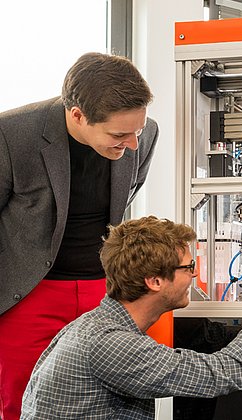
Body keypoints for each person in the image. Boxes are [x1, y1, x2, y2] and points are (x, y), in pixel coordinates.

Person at [0, 52, 158, 420]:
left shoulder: (143, 135)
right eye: (119, 135)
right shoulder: (11, 134)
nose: (133, 143)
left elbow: (127, 196)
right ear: (78, 116)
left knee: (108, 402)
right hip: (27, 292)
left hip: (103, 291)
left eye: (137, 130)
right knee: (24, 402)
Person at [21, 216, 242, 419]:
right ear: (155, 280)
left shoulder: (93, 326)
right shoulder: (111, 344)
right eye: (188, 267)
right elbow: (228, 372)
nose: (194, 274)